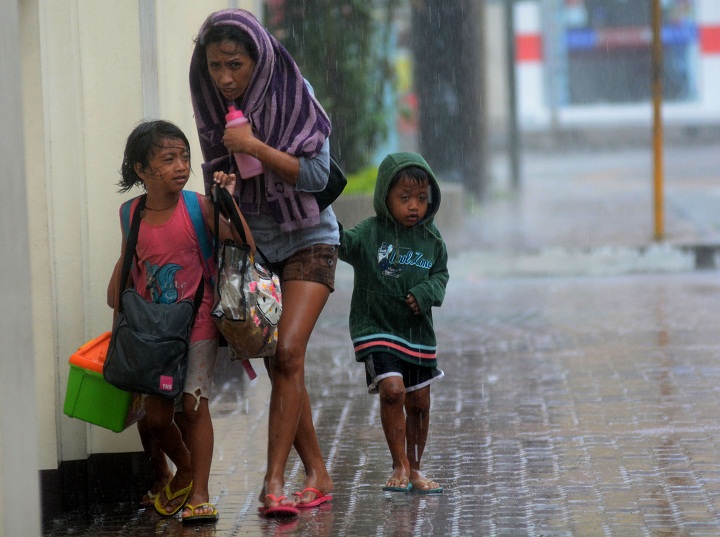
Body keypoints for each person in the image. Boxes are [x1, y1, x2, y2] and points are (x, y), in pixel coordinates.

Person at [189, 9, 337, 516]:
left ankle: (273, 482)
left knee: (289, 351)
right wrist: (225, 189)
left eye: (235, 64)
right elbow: (223, 184)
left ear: (260, 59)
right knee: (280, 363)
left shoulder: (295, 96)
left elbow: (316, 176)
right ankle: (317, 471)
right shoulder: (214, 107)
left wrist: (253, 146)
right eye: (214, 66)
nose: (225, 78)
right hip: (255, 247)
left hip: (311, 237)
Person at [108, 119, 252, 523]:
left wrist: (228, 202)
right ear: (141, 170)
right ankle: (184, 470)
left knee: (192, 406)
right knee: (156, 417)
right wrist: (120, 328)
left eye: (184, 156)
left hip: (198, 321)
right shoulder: (130, 214)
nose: (181, 165)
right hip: (154, 332)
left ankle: (200, 493)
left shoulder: (198, 207)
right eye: (168, 158)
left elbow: (245, 247)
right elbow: (122, 279)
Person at [337, 152, 449, 494]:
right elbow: (344, 245)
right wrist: (323, 217)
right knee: (393, 392)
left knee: (419, 404)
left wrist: (426, 291)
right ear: (385, 196)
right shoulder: (370, 233)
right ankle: (398, 463)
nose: (414, 206)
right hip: (376, 327)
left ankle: (415, 467)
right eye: (404, 198)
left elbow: (441, 274)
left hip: (417, 334)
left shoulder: (432, 240)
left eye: (420, 198)